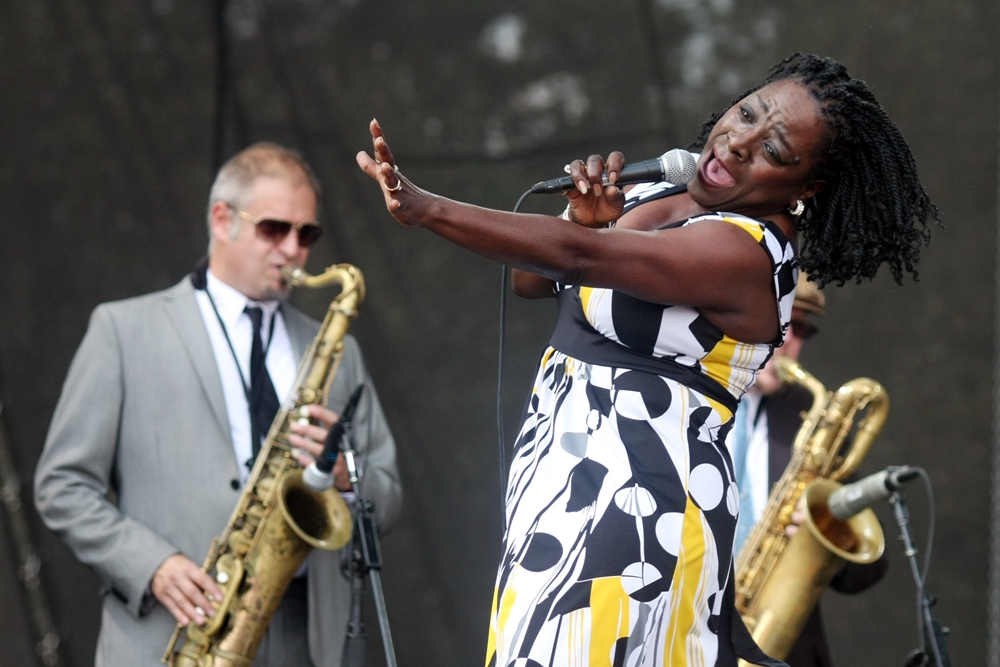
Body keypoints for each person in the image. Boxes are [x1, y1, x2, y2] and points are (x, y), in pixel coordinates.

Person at [357, 53, 937, 667]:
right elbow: (536, 281)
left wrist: (430, 209)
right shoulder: (662, 189)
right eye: (746, 113)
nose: (738, 142)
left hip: (634, 513)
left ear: (806, 188)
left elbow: (579, 259)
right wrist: (583, 217)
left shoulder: (749, 254)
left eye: (775, 150)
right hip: (561, 487)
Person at [34, 143, 402, 667]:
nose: (294, 249)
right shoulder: (122, 331)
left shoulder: (337, 350)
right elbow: (62, 487)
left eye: (308, 233)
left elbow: (387, 496)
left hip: (306, 639)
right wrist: (153, 565)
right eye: (274, 228)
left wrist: (346, 474)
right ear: (222, 219)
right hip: (174, 633)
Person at [727, 272, 888, 667]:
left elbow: (866, 571)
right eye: (778, 323)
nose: (787, 344)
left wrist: (830, 532)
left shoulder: (814, 421)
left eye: (799, 330)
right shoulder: (675, 404)